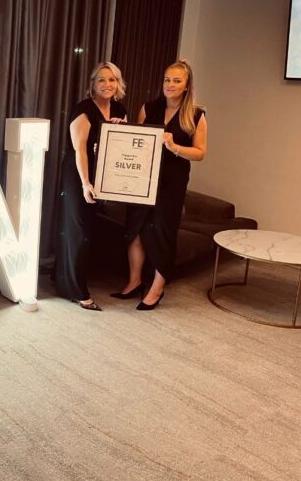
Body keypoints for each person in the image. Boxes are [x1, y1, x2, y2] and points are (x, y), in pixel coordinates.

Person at [112, 60, 207, 310]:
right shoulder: (149, 108)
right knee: (136, 230)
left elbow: (200, 153)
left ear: (187, 86)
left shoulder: (196, 115)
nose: (170, 85)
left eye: (177, 80)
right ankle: (134, 282)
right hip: (143, 179)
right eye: (167, 79)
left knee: (163, 233)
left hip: (172, 183)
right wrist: (123, 130)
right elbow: (137, 141)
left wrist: (175, 147)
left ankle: (157, 288)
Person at [55, 62, 127, 310]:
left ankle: (64, 278)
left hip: (101, 175)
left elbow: (121, 148)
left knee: (88, 231)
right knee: (78, 231)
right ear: (93, 84)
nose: (107, 84)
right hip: (78, 176)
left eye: (112, 80)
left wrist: (120, 131)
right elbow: (80, 151)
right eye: (102, 80)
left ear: (118, 84)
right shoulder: (84, 110)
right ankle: (76, 291)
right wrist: (86, 183)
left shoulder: (119, 109)